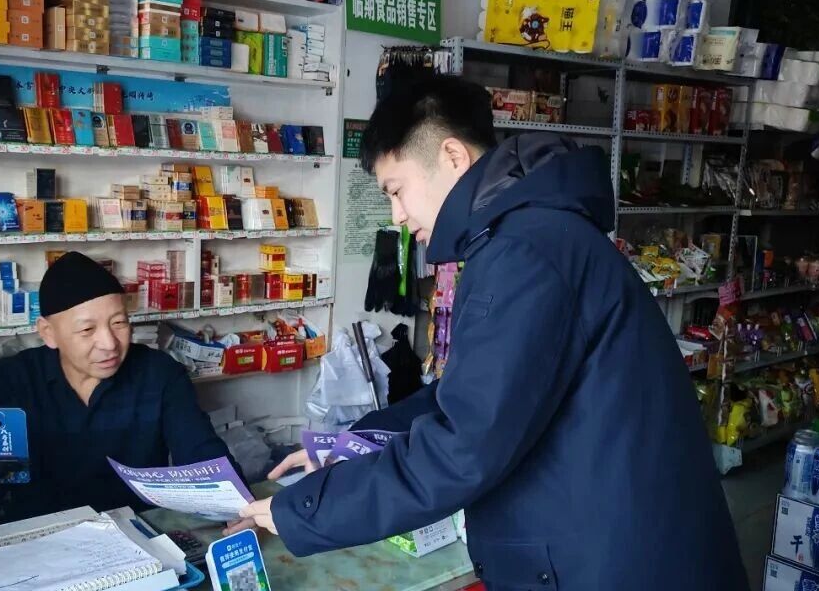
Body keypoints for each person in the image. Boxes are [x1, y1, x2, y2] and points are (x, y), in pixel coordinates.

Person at [236, 73, 749, 589]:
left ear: (453, 157)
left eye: (397, 191)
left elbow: (464, 446)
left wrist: (304, 510)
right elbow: (474, 396)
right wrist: (352, 443)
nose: (398, 215)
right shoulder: (529, 234)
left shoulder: (524, 253)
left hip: (614, 562)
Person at [0, 251, 238, 530]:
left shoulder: (159, 373)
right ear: (48, 333)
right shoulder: (15, 380)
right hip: (42, 535)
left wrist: (236, 505)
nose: (109, 343)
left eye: (119, 323)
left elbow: (202, 452)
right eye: (87, 330)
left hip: (138, 530)